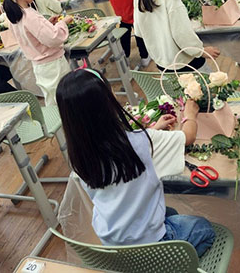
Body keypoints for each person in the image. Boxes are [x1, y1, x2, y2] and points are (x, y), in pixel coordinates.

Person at [56, 68, 215, 256]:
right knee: (206, 230)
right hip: (154, 244)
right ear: (107, 103)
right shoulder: (141, 142)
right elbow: (188, 136)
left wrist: (153, 130)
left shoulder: (79, 157)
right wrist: (190, 112)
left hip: (113, 245)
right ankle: (172, 265)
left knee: (169, 211)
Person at [3, 0, 71, 106]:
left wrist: (46, 24)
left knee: (53, 100)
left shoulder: (14, 15)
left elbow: (31, 35)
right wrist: (62, 23)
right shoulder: (29, 15)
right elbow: (54, 38)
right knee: (64, 102)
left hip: (40, 67)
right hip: (53, 66)